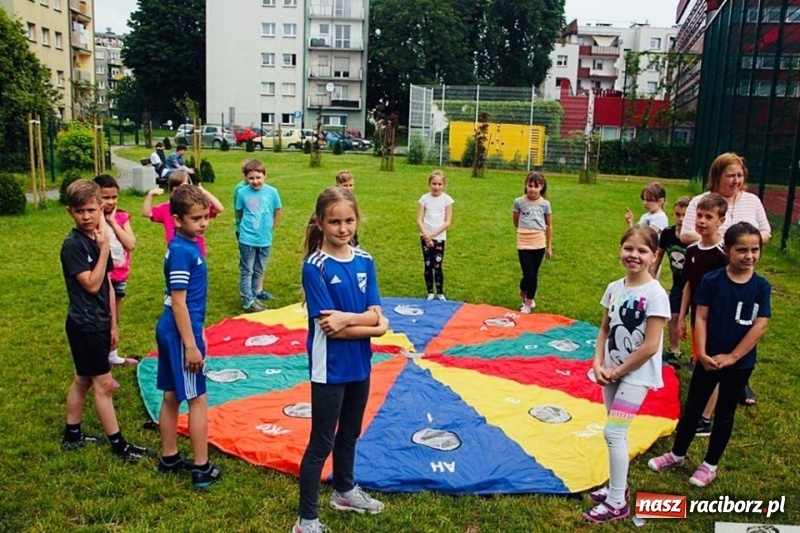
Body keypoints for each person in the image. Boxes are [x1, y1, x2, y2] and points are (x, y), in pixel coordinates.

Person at [294, 187, 389, 533]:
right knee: (322, 441)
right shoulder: (314, 267)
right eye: (334, 222)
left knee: (350, 431)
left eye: (349, 220)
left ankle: (345, 491)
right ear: (320, 222)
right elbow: (332, 330)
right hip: (329, 368)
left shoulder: (365, 260)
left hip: (360, 363)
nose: (343, 228)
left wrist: (351, 319)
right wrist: (372, 325)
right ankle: (306, 520)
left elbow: (376, 315)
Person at [648, 222, 770, 487]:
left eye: (755, 250)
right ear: (727, 250)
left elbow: (760, 325)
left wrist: (733, 357)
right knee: (693, 407)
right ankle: (677, 454)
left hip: (739, 364)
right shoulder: (712, 280)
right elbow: (701, 317)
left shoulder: (761, 286)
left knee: (725, 413)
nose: (749, 256)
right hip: (708, 359)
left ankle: (710, 464)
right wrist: (701, 352)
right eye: (742, 250)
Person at [582, 225, 670, 524]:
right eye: (628, 248)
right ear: (620, 250)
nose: (634, 255)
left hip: (636, 375)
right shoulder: (614, 288)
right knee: (615, 432)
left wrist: (618, 370)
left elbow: (650, 346)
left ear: (654, 256)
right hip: (610, 370)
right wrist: (598, 364)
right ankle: (616, 487)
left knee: (614, 432)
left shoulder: (655, 294)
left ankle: (617, 502)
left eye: (642, 250)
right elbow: (604, 329)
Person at [60, 179, 152, 462]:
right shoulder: (74, 246)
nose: (86, 217)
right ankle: (119, 445)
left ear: (101, 208)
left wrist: (112, 324)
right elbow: (91, 284)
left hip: (99, 322)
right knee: (104, 385)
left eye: (91, 210)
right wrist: (102, 251)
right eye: (80, 211)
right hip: (84, 325)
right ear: (70, 212)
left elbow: (108, 285)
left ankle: (72, 435)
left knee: (83, 380)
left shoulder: (96, 238)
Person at [680, 153, 771, 407]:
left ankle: (739, 378)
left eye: (740, 175)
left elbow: (766, 232)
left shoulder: (752, 201)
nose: (736, 180)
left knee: (740, 326)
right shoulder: (701, 202)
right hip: (711, 279)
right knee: (710, 326)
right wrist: (719, 239)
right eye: (730, 175)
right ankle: (707, 372)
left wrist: (745, 243)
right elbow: (686, 234)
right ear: (717, 176)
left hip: (742, 276)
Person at [155, 184, 221, 489]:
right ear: (177, 220)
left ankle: (169, 457)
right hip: (182, 333)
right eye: (196, 218)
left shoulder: (184, 244)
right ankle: (201, 468)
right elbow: (179, 302)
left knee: (171, 396)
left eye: (205, 216)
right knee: (197, 399)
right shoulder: (183, 252)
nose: (204, 223)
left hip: (171, 328)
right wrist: (192, 345)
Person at [678, 193, 728, 437]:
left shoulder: (723, 254)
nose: (702, 221)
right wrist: (681, 318)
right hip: (696, 317)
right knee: (700, 362)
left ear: (721, 221)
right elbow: (688, 285)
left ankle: (705, 418)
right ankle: (696, 409)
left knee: (710, 366)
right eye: (699, 215)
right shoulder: (692, 250)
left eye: (709, 217)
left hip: (716, 320)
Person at [93, 175, 138, 368]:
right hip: (101, 276)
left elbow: (130, 243)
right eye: (105, 197)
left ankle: (112, 354)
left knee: (114, 316)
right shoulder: (91, 219)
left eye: (114, 197)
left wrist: (113, 222)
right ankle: (98, 355)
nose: (111, 202)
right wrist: (102, 219)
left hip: (120, 275)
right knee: (101, 315)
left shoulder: (121, 217)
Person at [235, 159, 282, 312]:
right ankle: (247, 300)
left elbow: (277, 210)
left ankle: (256, 292)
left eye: (258, 177)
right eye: (251, 178)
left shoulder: (272, 192)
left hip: (265, 238)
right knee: (247, 269)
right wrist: (247, 228)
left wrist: (271, 227)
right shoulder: (242, 193)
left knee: (259, 268)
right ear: (246, 178)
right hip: (247, 238)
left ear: (265, 176)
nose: (255, 181)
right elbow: (240, 212)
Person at [142, 171, 224, 257]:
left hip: (197, 250)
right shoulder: (165, 208)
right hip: (178, 251)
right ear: (173, 189)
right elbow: (146, 213)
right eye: (181, 187)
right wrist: (150, 195)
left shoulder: (195, 208)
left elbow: (219, 209)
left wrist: (205, 192)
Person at [652, 196, 691, 365]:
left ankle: (697, 355)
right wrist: (651, 278)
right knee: (673, 315)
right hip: (678, 282)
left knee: (698, 320)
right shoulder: (668, 233)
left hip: (696, 283)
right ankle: (675, 351)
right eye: (678, 214)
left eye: (685, 215)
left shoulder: (695, 238)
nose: (681, 219)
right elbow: (659, 255)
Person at [512, 171, 552, 313]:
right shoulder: (519, 202)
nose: (533, 190)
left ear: (542, 187)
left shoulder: (545, 204)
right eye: (530, 186)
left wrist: (549, 247)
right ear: (526, 185)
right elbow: (516, 221)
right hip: (523, 241)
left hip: (539, 242)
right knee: (528, 274)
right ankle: (523, 288)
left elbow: (549, 226)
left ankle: (528, 302)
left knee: (533, 275)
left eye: (536, 186)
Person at [417, 169, 454, 301]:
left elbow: (447, 221)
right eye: (434, 184)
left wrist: (433, 235)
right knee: (428, 264)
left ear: (444, 185)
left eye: (439, 184)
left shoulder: (447, 200)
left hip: (439, 237)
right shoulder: (424, 199)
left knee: (437, 265)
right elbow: (419, 219)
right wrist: (426, 235)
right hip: (425, 237)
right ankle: (430, 292)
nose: (436, 187)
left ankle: (440, 292)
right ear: (429, 184)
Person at [335, 169, 359, 248]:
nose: (349, 188)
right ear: (338, 185)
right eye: (345, 185)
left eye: (351, 185)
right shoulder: (334, 200)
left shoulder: (353, 200)